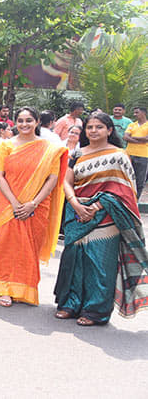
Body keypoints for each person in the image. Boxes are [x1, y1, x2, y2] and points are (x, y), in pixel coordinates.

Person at [55, 112, 148, 325]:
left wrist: (96, 206)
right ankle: (70, 303)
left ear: (109, 130)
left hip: (106, 216)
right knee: (74, 260)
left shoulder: (118, 156)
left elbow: (125, 190)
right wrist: (76, 203)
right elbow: (67, 181)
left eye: (99, 127)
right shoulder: (78, 153)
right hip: (77, 212)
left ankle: (95, 311)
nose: (94, 131)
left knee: (100, 264)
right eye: (90, 127)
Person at [0, 107, 68, 307]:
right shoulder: (6, 146)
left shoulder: (48, 149)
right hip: (9, 204)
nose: (24, 124)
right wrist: (16, 203)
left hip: (37, 206)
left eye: (29, 120)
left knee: (29, 248)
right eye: (20, 120)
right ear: (15, 123)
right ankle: (4, 288)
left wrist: (32, 203)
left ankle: (25, 289)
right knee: (6, 246)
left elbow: (52, 178)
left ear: (37, 123)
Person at [124, 106, 148, 201]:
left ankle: (135, 200)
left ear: (143, 113)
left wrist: (133, 138)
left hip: (143, 156)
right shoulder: (132, 125)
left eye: (137, 112)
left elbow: (147, 138)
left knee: (140, 180)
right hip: (129, 154)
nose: (135, 114)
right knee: (127, 178)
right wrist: (140, 140)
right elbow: (125, 137)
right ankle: (126, 199)